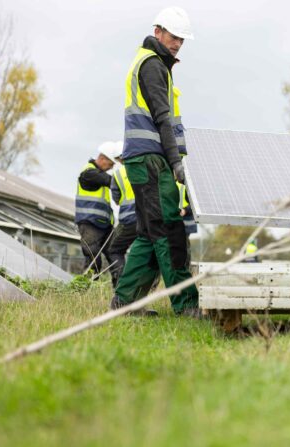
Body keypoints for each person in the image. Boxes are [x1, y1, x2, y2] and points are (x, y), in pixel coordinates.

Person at [110, 6, 201, 317]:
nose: (177, 44)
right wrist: (176, 163)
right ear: (158, 31)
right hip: (151, 159)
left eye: (182, 40)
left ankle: (125, 304)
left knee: (151, 233)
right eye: (174, 37)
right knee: (170, 230)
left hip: (143, 159)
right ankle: (186, 304)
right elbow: (162, 118)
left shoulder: (153, 64)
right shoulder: (152, 65)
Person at [75, 142, 117, 276]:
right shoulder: (89, 173)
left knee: (116, 255)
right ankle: (85, 289)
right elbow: (111, 181)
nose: (111, 168)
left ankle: (121, 291)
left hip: (105, 225)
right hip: (90, 224)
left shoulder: (99, 174)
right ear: (102, 158)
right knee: (93, 259)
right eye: (110, 164)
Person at [108, 141, 137, 287]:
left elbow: (116, 199)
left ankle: (121, 286)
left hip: (129, 219)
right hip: (150, 218)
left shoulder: (118, 174)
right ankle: (147, 288)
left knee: (115, 250)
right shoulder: (146, 166)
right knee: (148, 251)